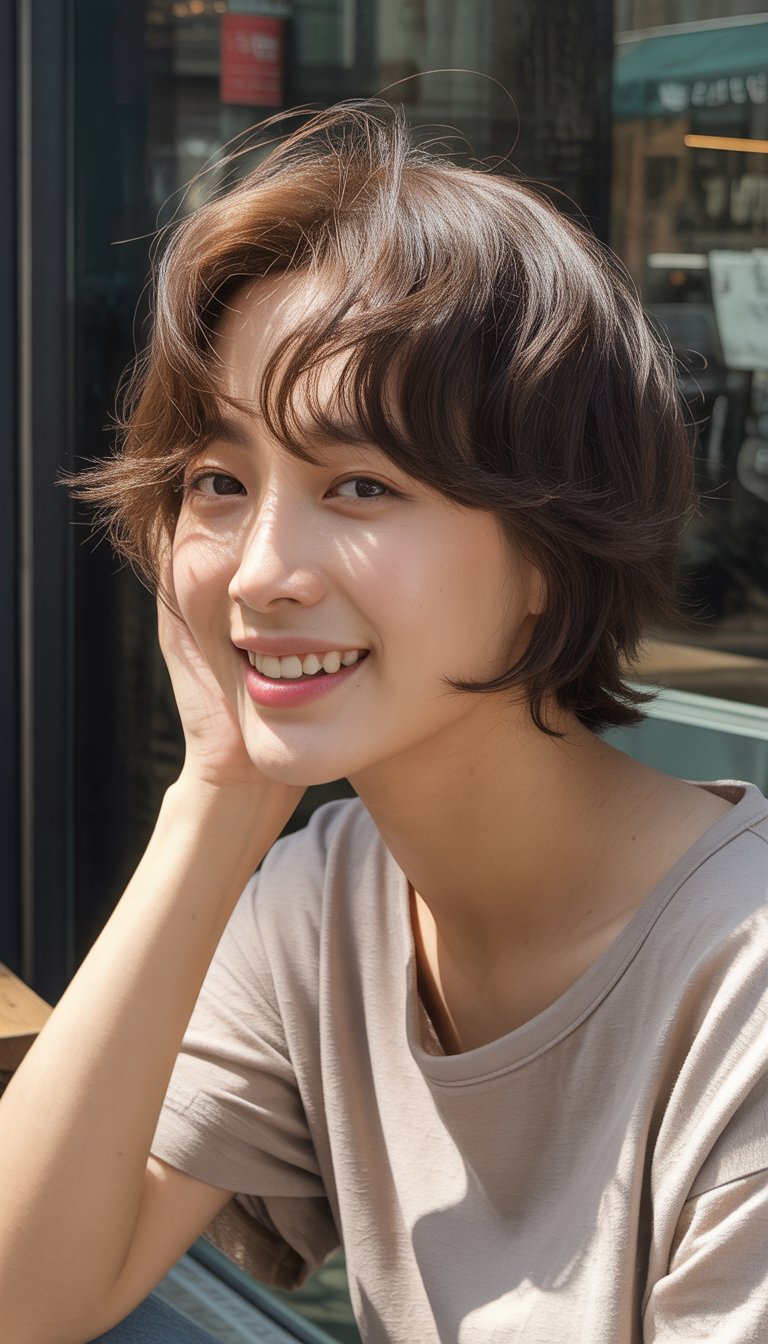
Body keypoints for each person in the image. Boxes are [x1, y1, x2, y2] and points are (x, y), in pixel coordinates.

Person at [2, 102, 767, 1344]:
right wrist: (214, 806)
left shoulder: (741, 996)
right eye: (219, 482)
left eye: (360, 484)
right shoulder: (324, 896)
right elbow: (22, 1294)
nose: (259, 572)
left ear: (555, 543)